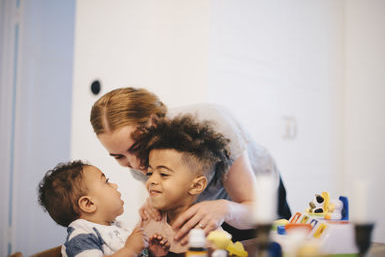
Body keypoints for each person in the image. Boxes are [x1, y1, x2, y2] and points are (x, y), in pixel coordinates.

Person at [90, 87, 291, 244]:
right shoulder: (138, 160)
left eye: (137, 147)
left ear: (154, 121)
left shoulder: (214, 124)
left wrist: (225, 209)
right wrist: (156, 204)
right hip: (213, 210)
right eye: (119, 157)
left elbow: (256, 210)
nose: (136, 164)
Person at [132, 115, 232, 253]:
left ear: (196, 186)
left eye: (163, 174)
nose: (151, 181)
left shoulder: (211, 235)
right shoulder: (147, 221)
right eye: (150, 173)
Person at [37, 160, 170, 257]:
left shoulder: (116, 227)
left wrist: (150, 252)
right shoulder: (81, 236)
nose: (115, 185)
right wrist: (130, 250)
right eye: (106, 181)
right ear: (88, 204)